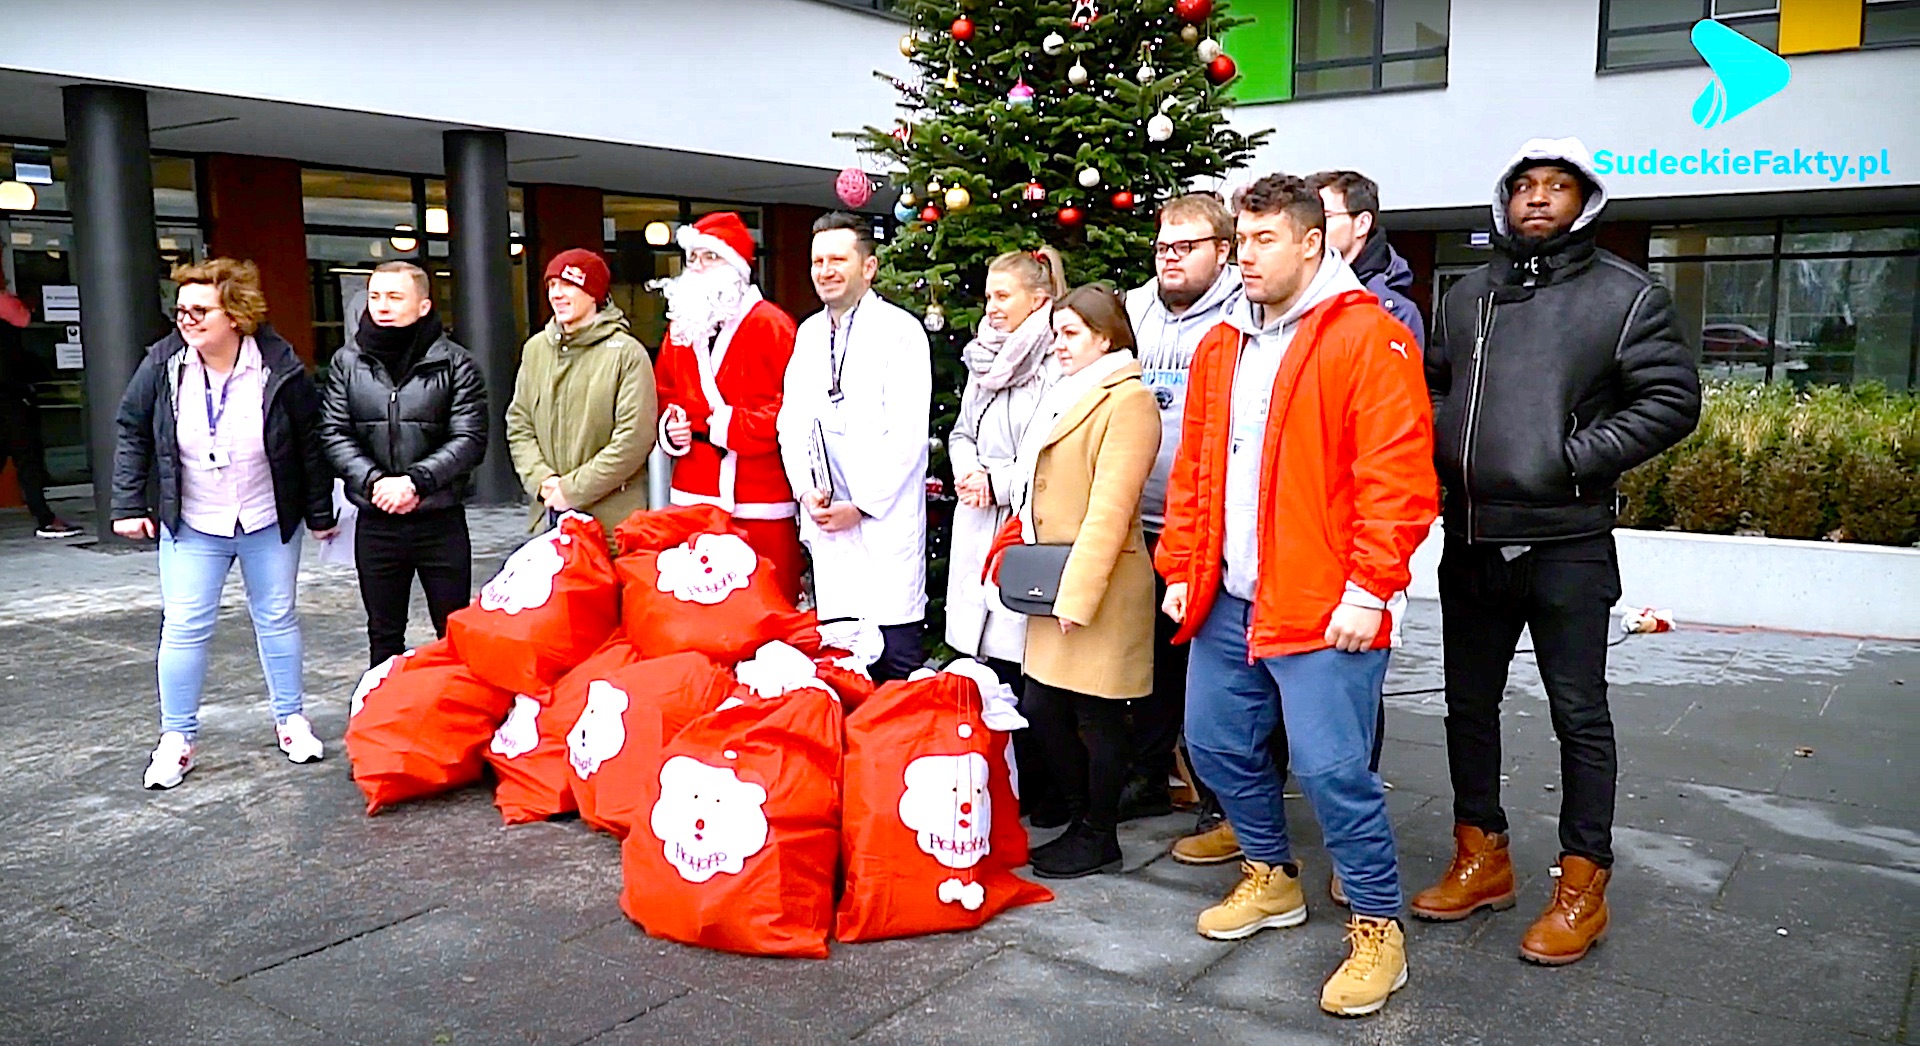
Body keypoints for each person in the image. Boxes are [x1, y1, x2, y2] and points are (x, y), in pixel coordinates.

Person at [1156, 174, 1437, 1017]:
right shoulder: (1222, 344)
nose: (1245, 256)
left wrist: (1369, 589)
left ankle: (1378, 925)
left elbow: (1397, 478)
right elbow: (1196, 471)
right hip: (1229, 596)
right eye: (1240, 240)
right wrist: (1182, 568)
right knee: (1214, 746)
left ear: (1313, 243)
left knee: (1331, 772)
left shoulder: (1368, 336)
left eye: (1264, 240)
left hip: (1324, 602)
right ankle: (1271, 875)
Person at [1415, 138, 1700, 966]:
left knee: (1579, 714)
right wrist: (1445, 443)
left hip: (1567, 543)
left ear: (1586, 201)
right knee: (1467, 706)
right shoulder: (1465, 295)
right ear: (1504, 199)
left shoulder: (1626, 296)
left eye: (1558, 186)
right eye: (1526, 186)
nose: (1538, 198)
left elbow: (1672, 400)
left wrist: (1569, 457)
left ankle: (1582, 885)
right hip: (1473, 537)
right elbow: (1435, 384)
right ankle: (1482, 856)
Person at [111, 258, 337, 789]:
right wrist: (127, 505)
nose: (186, 320)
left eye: (200, 310)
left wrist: (320, 513)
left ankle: (291, 720)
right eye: (181, 310)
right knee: (184, 626)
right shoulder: (163, 365)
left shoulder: (278, 366)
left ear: (235, 316)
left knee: (277, 617)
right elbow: (133, 430)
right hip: (193, 520)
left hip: (265, 516)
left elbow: (309, 443)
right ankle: (176, 738)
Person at [1010, 284, 1160, 879]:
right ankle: (1081, 818)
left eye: (1071, 333)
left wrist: (1076, 598)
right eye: (1056, 334)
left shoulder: (1129, 401)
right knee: (1043, 704)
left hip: (1099, 584)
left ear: (1105, 336)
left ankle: (1099, 832)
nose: (1059, 345)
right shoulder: (1070, 391)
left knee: (1096, 714)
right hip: (1059, 576)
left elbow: (1110, 511)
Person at [1123, 193, 1244, 842]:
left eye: (1187, 247)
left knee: (1212, 671)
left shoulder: (1242, 313)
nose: (1170, 258)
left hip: (1207, 525)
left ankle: (1223, 801)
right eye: (1163, 246)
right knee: (1149, 662)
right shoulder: (1135, 308)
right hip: (1137, 516)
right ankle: (1148, 775)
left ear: (1223, 251)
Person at [776, 212, 930, 682]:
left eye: (837, 260)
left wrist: (860, 506)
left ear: (869, 267)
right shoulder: (808, 334)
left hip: (882, 524)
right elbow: (792, 424)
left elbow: (907, 437)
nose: (825, 271)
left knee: (894, 667)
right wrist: (806, 491)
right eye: (817, 261)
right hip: (829, 526)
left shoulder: (900, 331)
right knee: (842, 668)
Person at [947, 247, 1067, 824]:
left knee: (1023, 662)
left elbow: (1051, 451)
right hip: (977, 515)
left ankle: (1044, 789)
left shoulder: (1055, 362)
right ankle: (996, 782)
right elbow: (962, 430)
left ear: (1038, 300)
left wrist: (998, 481)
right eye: (988, 295)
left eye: (1003, 296)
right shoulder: (982, 360)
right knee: (984, 657)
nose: (991, 307)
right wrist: (967, 469)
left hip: (1023, 523)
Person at [320, 261, 487, 667]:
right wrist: (376, 482)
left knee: (454, 630)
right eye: (375, 296)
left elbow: (469, 439)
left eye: (395, 297)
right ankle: (384, 704)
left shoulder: (456, 363)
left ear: (424, 306)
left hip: (438, 518)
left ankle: (456, 704)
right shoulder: (347, 362)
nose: (382, 306)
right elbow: (333, 432)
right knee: (383, 632)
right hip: (377, 519)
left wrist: (415, 482)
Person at [654, 212, 803, 601]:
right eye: (693, 258)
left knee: (767, 601)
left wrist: (730, 426)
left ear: (736, 268)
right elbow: (665, 391)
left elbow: (794, 408)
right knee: (698, 603)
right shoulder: (682, 328)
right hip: (694, 492)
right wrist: (671, 427)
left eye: (711, 257)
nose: (699, 267)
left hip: (760, 495)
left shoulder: (773, 325)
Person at [506, 248, 657, 544]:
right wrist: (541, 480)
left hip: (611, 527)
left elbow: (633, 439)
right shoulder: (536, 349)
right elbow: (519, 423)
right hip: (547, 519)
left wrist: (572, 490)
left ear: (594, 294)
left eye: (569, 284)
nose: (557, 294)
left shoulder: (626, 353)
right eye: (552, 285)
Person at [0, 271, 80, 538]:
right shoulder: (8, 321)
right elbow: (21, 319)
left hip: (9, 399)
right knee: (28, 459)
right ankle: (45, 519)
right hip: (11, 401)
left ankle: (44, 516)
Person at [1308, 170, 1426, 348]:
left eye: (1325, 216)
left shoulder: (1394, 311)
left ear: (1362, 224)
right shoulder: (1297, 291)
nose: (1313, 227)